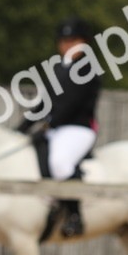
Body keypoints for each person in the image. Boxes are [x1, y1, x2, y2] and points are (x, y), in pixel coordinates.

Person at [17, 17, 101, 239]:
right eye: (63, 41)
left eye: (72, 40)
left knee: (60, 162)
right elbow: (45, 102)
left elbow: (71, 103)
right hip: (57, 128)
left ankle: (75, 215)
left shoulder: (89, 68)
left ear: (84, 42)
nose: (66, 45)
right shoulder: (58, 67)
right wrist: (21, 129)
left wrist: (49, 124)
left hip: (78, 128)